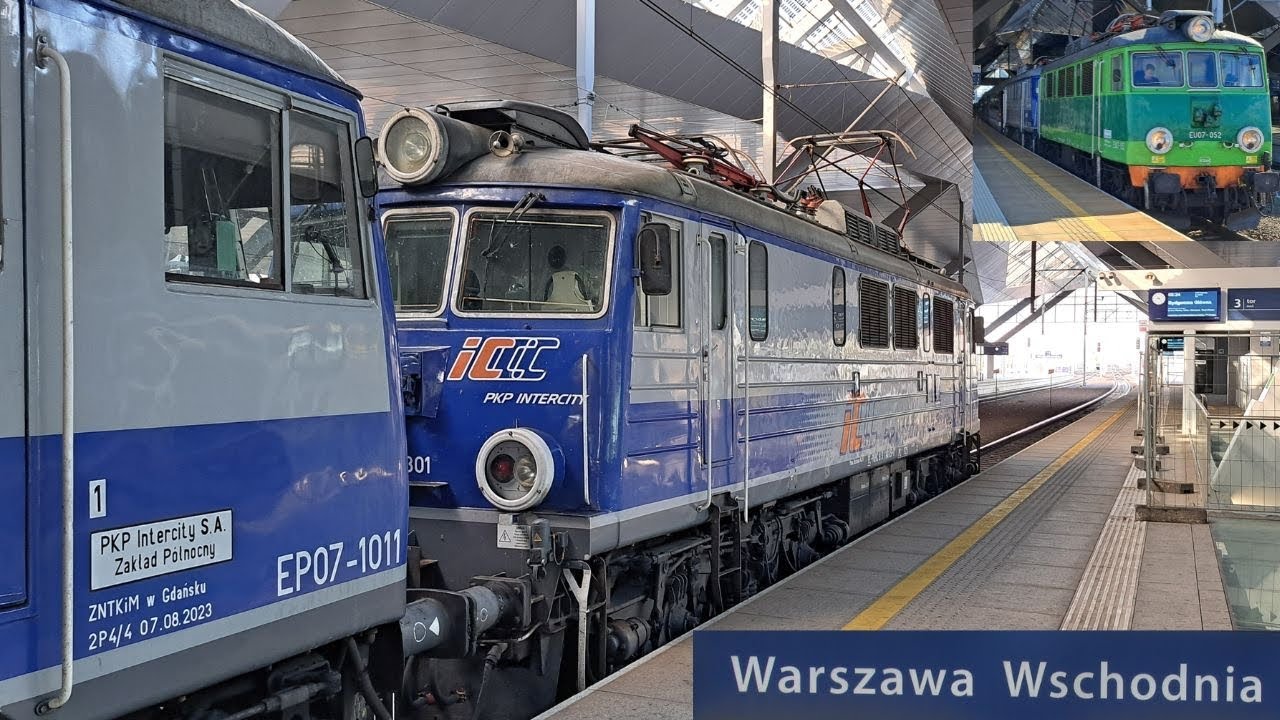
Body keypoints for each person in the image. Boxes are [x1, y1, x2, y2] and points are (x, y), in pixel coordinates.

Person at [544, 245, 592, 310]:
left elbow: (543, 302)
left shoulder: (549, 281)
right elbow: (587, 299)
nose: (556, 260)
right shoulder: (576, 277)